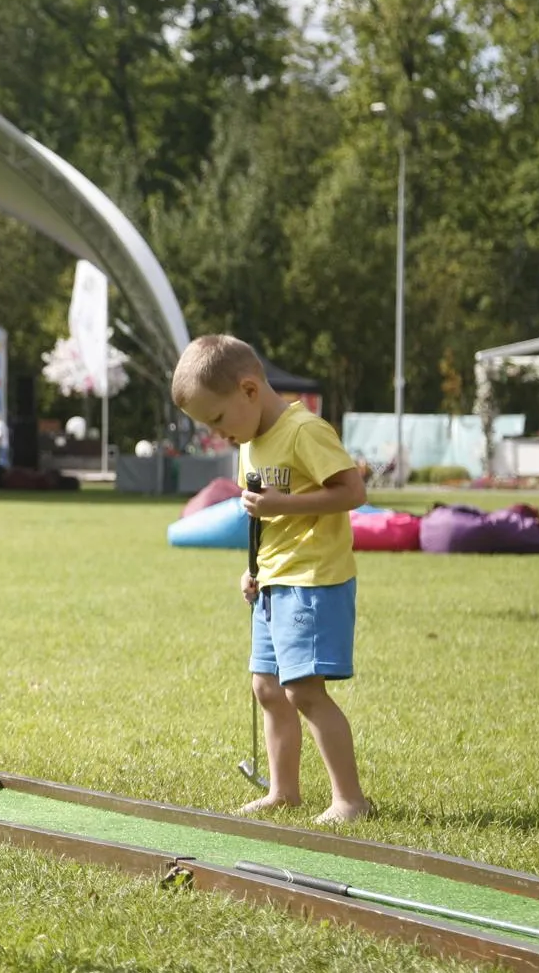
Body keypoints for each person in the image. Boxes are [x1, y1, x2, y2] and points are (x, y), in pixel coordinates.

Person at [172, 333, 370, 825]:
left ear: (249, 390)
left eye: (217, 419)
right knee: (266, 687)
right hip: (273, 580)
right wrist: (252, 567)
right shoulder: (249, 443)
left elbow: (353, 491)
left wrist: (286, 504)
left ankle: (350, 800)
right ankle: (284, 792)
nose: (219, 434)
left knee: (303, 689)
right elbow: (263, 519)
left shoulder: (304, 432)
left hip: (313, 578)